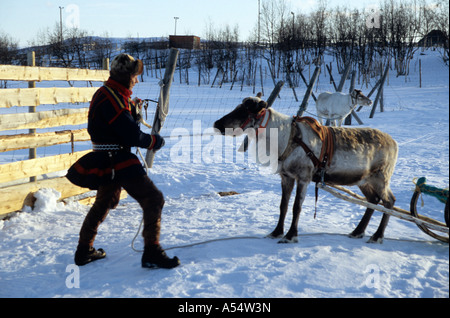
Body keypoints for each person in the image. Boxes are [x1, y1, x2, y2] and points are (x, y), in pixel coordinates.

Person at [66, 53, 180, 269]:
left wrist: (132, 113)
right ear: (127, 76)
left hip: (108, 158)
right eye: (135, 76)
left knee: (103, 204)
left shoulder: (111, 94)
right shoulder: (111, 98)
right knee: (153, 199)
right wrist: (154, 141)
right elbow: (130, 136)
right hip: (116, 158)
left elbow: (119, 126)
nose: (137, 80)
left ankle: (83, 251)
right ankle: (152, 253)